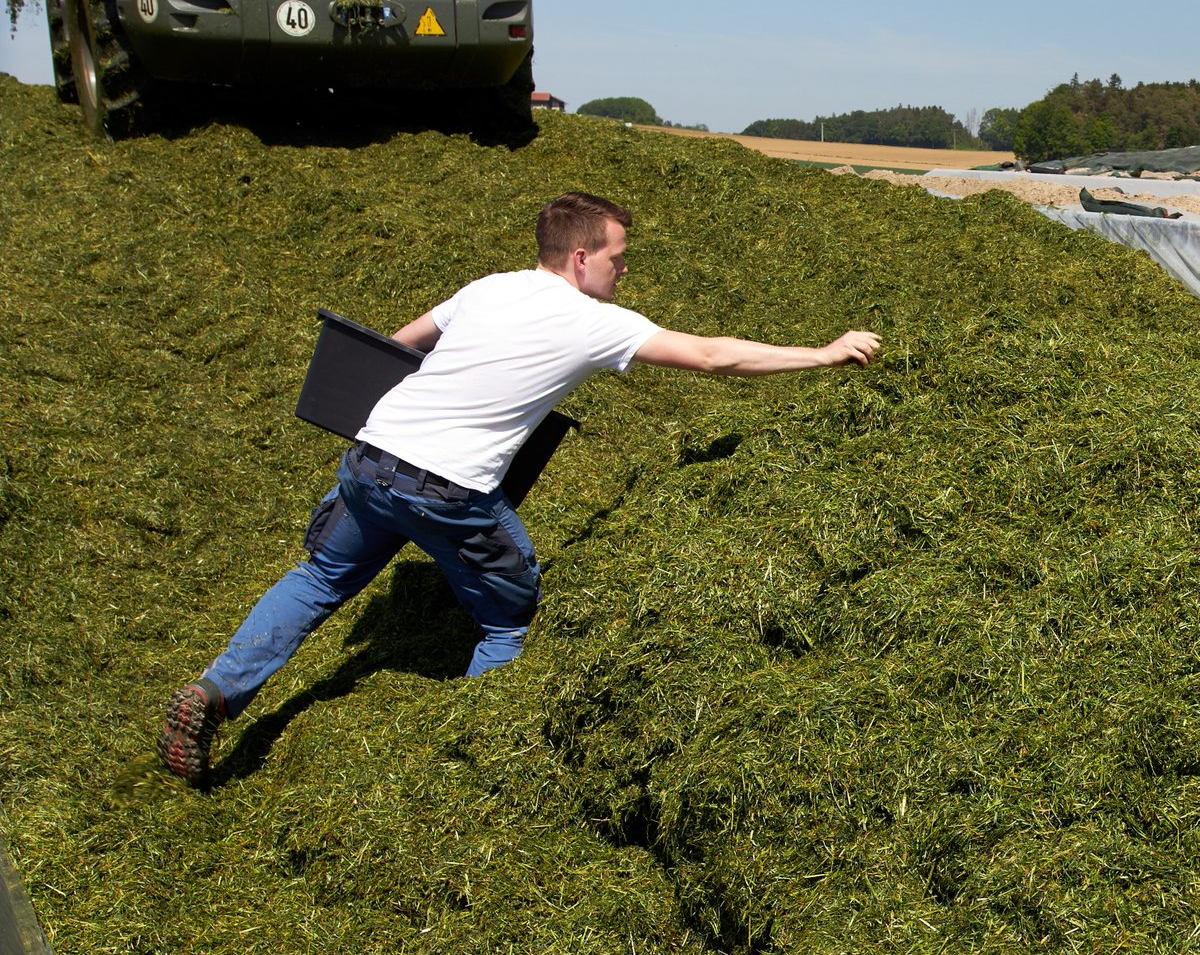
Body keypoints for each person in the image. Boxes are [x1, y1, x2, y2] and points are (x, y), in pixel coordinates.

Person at [158, 192, 881, 783]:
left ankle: (215, 692)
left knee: (318, 578)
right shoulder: (592, 321)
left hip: (370, 456)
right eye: (618, 259)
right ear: (580, 257)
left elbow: (399, 343)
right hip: (448, 490)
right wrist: (822, 353)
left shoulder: (487, 288)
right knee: (509, 616)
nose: (623, 274)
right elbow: (712, 357)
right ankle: (469, 762)